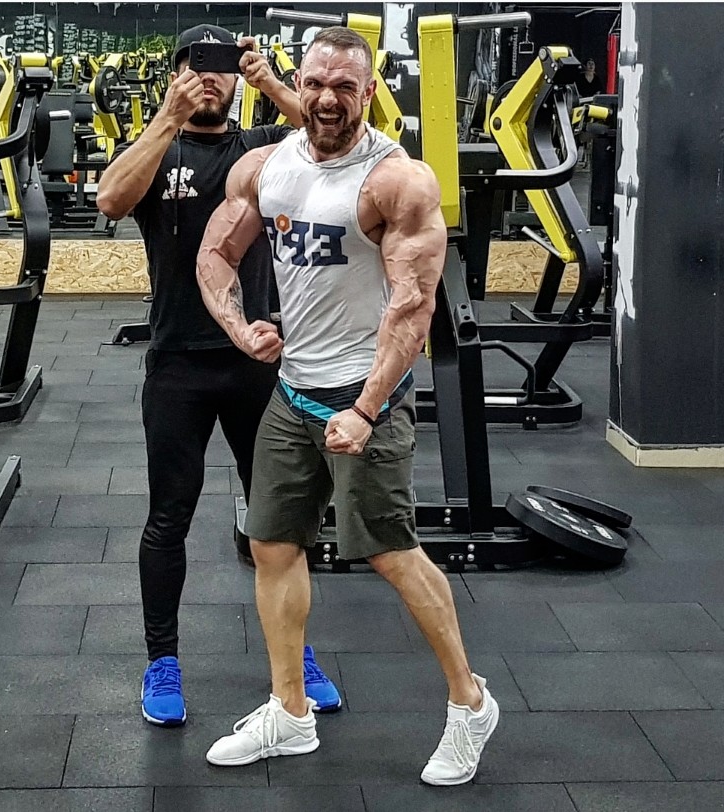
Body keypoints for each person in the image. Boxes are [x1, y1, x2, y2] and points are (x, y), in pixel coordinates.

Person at [196, 26, 499, 786]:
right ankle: (290, 711)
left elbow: (412, 308)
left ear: (368, 93)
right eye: (316, 83)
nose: (327, 99)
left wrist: (365, 410)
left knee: (391, 553)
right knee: (272, 545)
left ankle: (470, 702)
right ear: (297, 84)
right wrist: (241, 328)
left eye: (344, 87)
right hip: (292, 394)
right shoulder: (266, 167)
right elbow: (216, 253)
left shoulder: (395, 183)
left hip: (369, 399)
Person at [96, 23, 341, 728]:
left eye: (223, 66)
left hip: (257, 363)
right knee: (168, 516)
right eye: (195, 65)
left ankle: (296, 657)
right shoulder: (157, 148)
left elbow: (330, 138)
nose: (210, 76)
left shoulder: (263, 149)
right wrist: (165, 117)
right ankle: (161, 661)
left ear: (239, 77)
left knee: (281, 521)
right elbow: (110, 200)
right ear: (176, 75)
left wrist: (271, 82)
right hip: (177, 365)